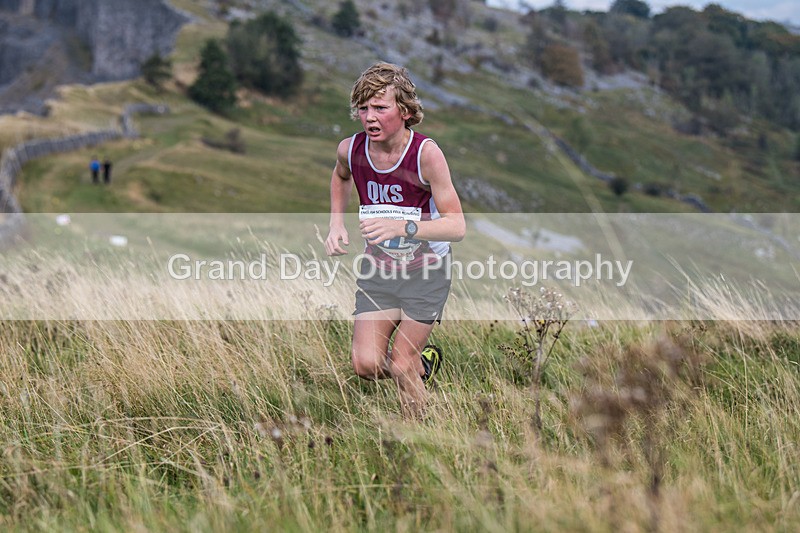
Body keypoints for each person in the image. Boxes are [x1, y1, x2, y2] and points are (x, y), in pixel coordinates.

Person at [324, 62, 465, 418]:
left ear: (403, 111)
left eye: (380, 108)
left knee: (401, 363)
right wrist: (336, 224)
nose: (369, 117)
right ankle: (423, 368)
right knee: (366, 365)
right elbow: (340, 178)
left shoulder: (426, 155)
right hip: (380, 272)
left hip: (426, 272)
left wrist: (403, 227)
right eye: (363, 108)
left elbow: (456, 226)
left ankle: (419, 440)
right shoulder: (351, 150)